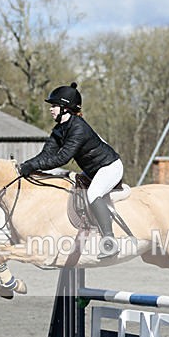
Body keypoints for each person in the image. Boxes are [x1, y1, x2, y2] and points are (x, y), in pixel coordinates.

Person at [18, 82, 124, 259]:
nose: (51, 109)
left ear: (66, 108)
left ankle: (109, 241)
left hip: (109, 167)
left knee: (93, 194)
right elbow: (46, 154)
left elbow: (61, 159)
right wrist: (26, 165)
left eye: (54, 106)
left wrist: (33, 165)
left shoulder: (78, 128)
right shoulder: (60, 129)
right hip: (92, 171)